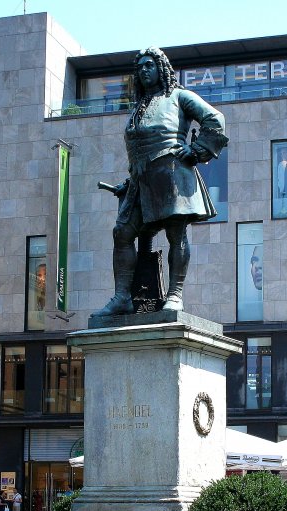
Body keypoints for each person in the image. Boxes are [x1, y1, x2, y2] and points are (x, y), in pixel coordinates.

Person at [94, 46, 228, 316]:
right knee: (122, 233)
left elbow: (215, 119)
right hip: (140, 181)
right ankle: (122, 296)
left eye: (149, 65)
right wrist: (128, 182)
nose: (144, 70)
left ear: (161, 68)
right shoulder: (138, 108)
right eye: (140, 67)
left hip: (171, 175)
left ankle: (175, 294)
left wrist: (197, 150)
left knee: (175, 234)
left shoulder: (179, 96)